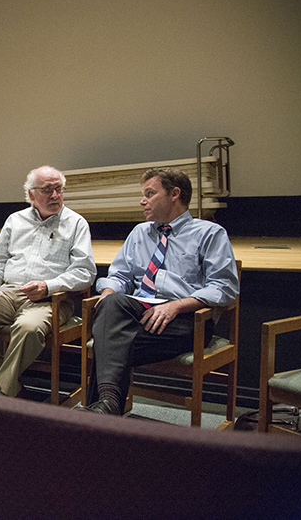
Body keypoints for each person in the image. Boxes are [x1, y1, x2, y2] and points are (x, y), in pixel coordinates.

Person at [80, 167, 239, 415]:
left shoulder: (209, 233)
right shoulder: (139, 233)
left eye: (150, 193)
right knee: (110, 306)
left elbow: (224, 287)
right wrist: (109, 292)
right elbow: (119, 275)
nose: (142, 201)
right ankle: (106, 408)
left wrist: (176, 305)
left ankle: (100, 415)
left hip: (186, 321)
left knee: (107, 342)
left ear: (174, 194)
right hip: (140, 316)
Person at [0, 166, 96, 418]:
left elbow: (85, 272)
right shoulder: (15, 220)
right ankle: (12, 389)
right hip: (8, 292)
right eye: (47, 190)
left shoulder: (76, 223)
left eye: (59, 189)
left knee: (28, 327)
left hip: (52, 298)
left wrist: (48, 286)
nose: (55, 195)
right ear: (31, 194)